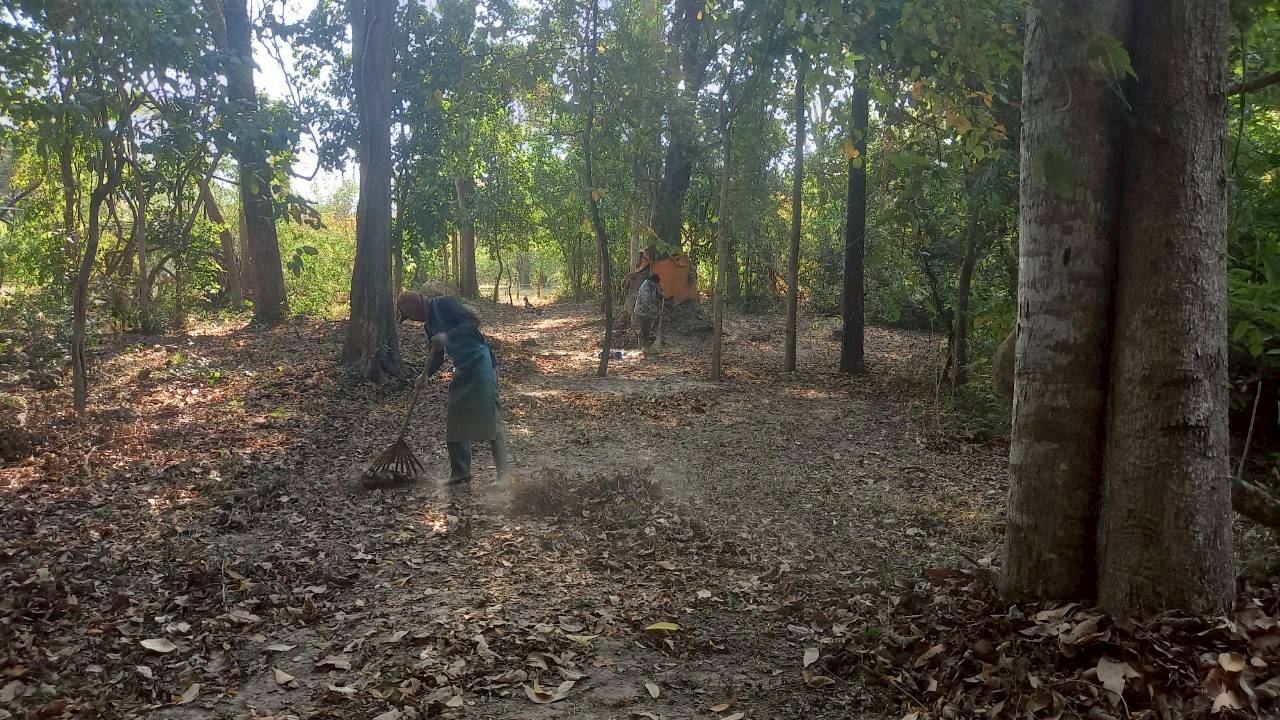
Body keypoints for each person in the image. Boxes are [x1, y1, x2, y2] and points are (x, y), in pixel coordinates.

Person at [396, 290, 511, 485]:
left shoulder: (444, 304)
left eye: (412, 316)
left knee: (490, 416)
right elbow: (437, 357)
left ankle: (504, 475)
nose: (414, 321)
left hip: (481, 362)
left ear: (418, 307)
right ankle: (460, 473)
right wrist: (424, 375)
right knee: (455, 418)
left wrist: (447, 336)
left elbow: (473, 321)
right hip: (463, 368)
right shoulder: (429, 326)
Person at [633, 273, 662, 350]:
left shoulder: (654, 286)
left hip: (649, 312)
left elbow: (658, 293)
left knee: (647, 329)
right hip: (641, 312)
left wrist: (661, 295)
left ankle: (643, 346)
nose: (656, 285)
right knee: (644, 330)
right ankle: (643, 347)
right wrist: (656, 310)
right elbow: (647, 303)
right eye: (655, 284)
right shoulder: (645, 288)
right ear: (651, 281)